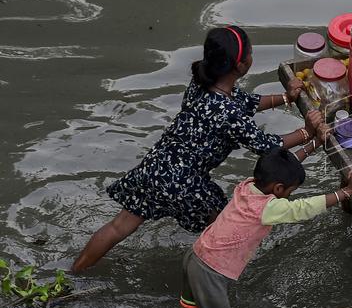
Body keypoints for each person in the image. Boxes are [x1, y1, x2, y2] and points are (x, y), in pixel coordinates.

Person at [72, 26, 324, 272]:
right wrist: (307, 132)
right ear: (241, 65)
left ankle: (76, 271)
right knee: (224, 227)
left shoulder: (202, 85)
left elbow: (248, 102)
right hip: (185, 182)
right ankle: (211, 274)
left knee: (119, 226)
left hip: (157, 166)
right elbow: (266, 145)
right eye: (249, 53)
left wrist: (287, 96)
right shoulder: (227, 113)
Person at [146, 147, 352, 308]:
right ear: (278, 189)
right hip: (210, 271)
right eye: (291, 191)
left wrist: (312, 145)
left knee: (193, 305)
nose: (290, 195)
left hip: (196, 254)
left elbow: (283, 169)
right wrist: (346, 192)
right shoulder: (267, 208)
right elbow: (303, 208)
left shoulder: (248, 186)